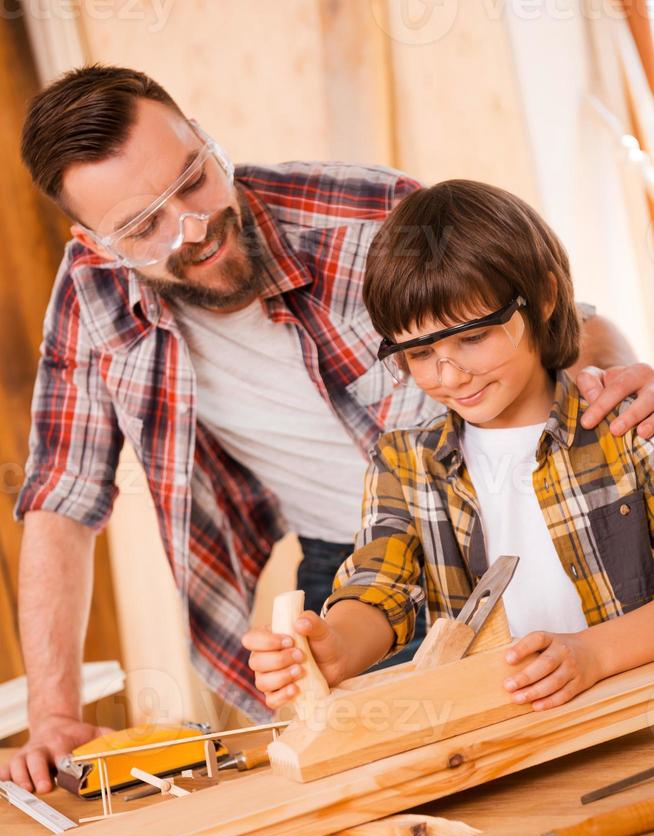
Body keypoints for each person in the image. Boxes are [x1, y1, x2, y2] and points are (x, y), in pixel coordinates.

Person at [4, 65, 653, 795]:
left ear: (202, 135)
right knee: (403, 772)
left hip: (503, 525)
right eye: (144, 227)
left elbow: (564, 318)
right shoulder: (90, 299)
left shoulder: (368, 214)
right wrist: (54, 714)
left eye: (192, 180)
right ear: (95, 241)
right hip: (361, 547)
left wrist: (614, 396)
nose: (192, 228)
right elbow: (62, 498)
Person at [246, 180, 654, 712]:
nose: (449, 374)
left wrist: (593, 655)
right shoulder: (405, 464)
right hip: (510, 740)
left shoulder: (628, 428)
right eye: (419, 353)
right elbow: (379, 585)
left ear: (546, 298)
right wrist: (334, 648)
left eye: (473, 337)